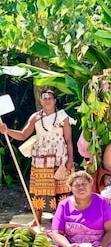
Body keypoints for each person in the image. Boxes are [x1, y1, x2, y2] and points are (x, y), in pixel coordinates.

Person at [0, 89, 76, 226]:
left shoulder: (62, 116)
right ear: (41, 101)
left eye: (50, 98)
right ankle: (37, 218)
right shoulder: (35, 117)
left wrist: (70, 160)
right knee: (39, 189)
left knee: (62, 189)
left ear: (54, 101)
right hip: (41, 159)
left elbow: (69, 140)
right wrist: (7, 131)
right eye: (44, 98)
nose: (47, 101)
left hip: (60, 158)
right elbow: (23, 135)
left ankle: (61, 219)